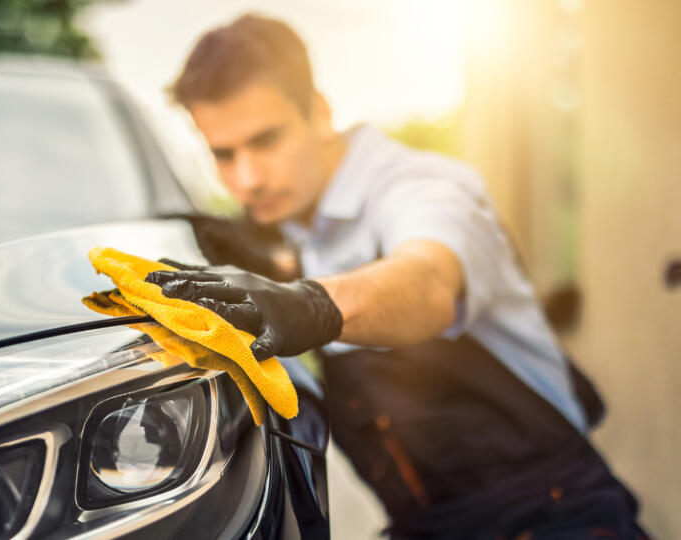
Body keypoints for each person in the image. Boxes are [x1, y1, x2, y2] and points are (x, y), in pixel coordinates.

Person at [147, 14, 646, 539]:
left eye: (266, 141)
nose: (247, 178)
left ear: (318, 112)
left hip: (553, 516)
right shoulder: (302, 230)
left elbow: (427, 281)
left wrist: (307, 305)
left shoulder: (423, 187)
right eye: (224, 154)